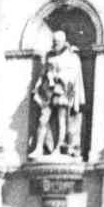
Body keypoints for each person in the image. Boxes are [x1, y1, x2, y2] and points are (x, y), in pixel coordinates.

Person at [29, 31, 85, 159]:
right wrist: (38, 86)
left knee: (62, 119)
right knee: (42, 119)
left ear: (63, 42)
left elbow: (73, 77)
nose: (54, 44)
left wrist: (57, 76)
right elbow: (43, 73)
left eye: (57, 42)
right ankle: (39, 147)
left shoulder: (72, 58)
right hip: (48, 91)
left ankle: (59, 147)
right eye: (53, 42)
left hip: (64, 91)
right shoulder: (50, 57)